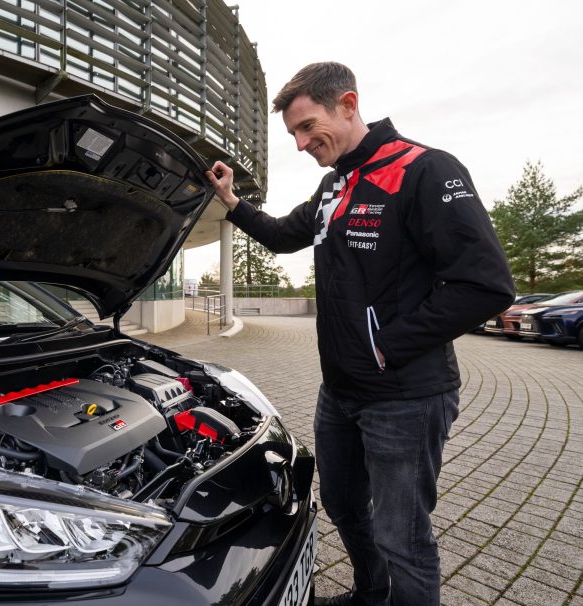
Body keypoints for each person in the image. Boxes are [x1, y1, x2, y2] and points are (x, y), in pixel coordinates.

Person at [206, 62, 514, 606]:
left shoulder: (426, 169)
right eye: (294, 134)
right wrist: (233, 203)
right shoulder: (334, 186)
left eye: (307, 127)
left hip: (406, 397)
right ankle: (371, 594)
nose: (301, 144)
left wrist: (386, 345)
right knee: (345, 506)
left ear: (347, 105)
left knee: (403, 537)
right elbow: (281, 236)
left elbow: (485, 286)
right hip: (340, 393)